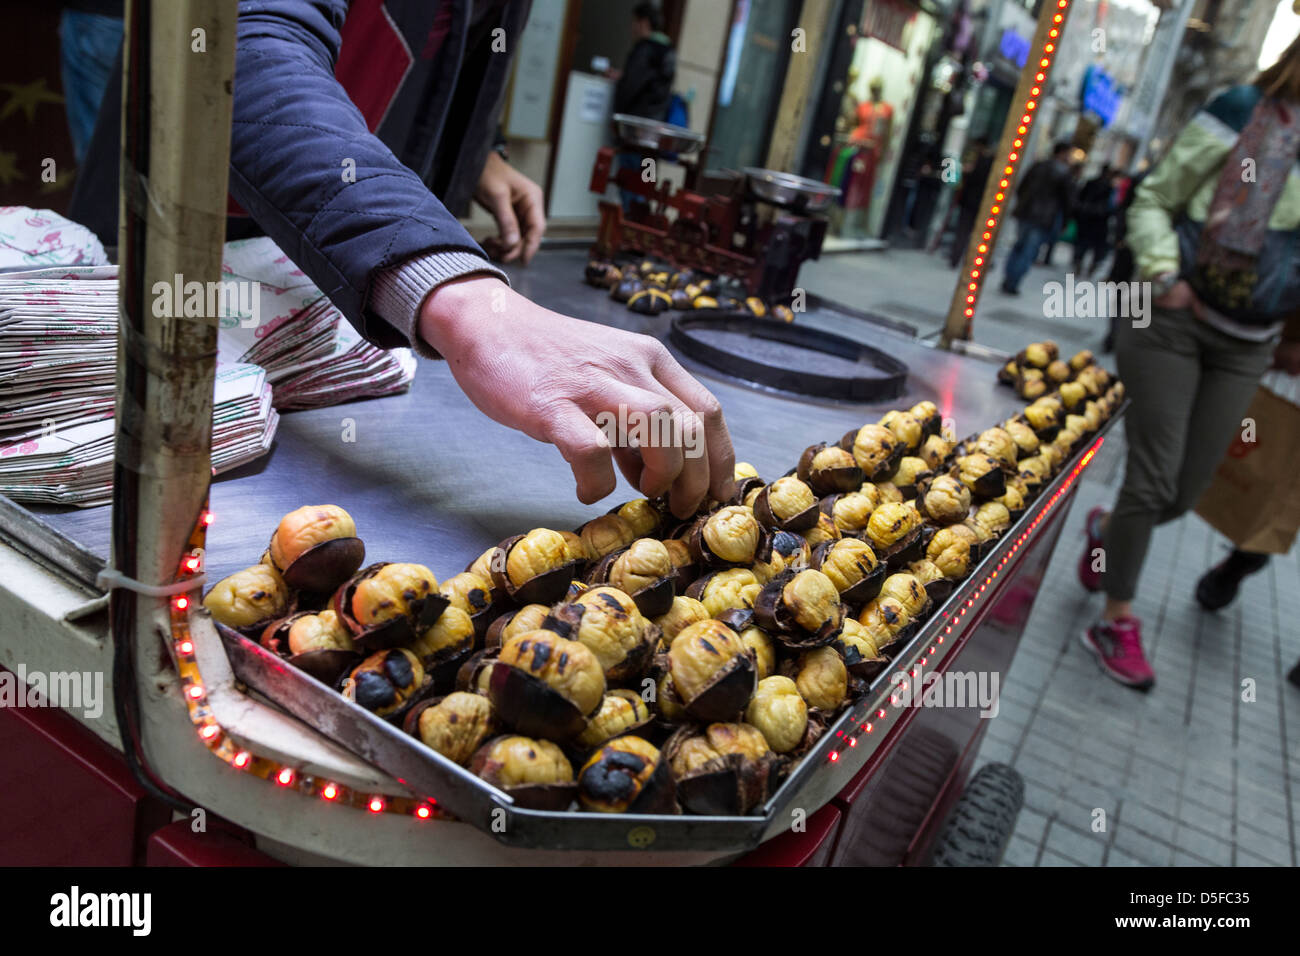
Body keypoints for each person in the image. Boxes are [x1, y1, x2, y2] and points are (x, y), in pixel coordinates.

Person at [68, 0, 735, 518]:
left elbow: (442, 45)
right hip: (179, 296)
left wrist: (481, 155)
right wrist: (469, 302)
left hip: (336, 327)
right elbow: (236, 46)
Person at [1076, 33, 1300, 689]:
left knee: (1184, 492)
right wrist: (1162, 271)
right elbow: (1153, 198)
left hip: (1250, 342)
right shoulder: (1240, 108)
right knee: (1152, 477)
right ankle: (1115, 618)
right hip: (1170, 314)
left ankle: (1110, 529)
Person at [999, 142, 1075, 295]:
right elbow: (1067, 202)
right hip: (1042, 218)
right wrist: (1064, 221)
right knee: (1028, 250)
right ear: (1062, 153)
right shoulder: (1063, 173)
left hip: (1027, 213)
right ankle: (1013, 281)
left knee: (1019, 245)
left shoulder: (1038, 166)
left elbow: (1022, 187)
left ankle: (1009, 277)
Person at [610, 2, 676, 122]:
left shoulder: (645, 49)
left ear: (644, 23)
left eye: (634, 22)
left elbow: (631, 85)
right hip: (655, 119)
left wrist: (617, 113)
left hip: (636, 118)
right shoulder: (668, 49)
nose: (632, 27)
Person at [948, 136, 993, 268]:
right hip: (981, 201)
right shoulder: (990, 161)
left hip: (971, 200)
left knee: (964, 230)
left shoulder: (978, 161)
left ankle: (957, 258)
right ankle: (969, 260)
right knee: (977, 233)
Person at [1072, 164, 1117, 277]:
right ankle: (1089, 265)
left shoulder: (1091, 183)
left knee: (1083, 243)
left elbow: (1080, 198)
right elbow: (1112, 206)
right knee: (1095, 246)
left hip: (1087, 218)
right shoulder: (1110, 188)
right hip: (1098, 220)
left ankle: (1079, 262)